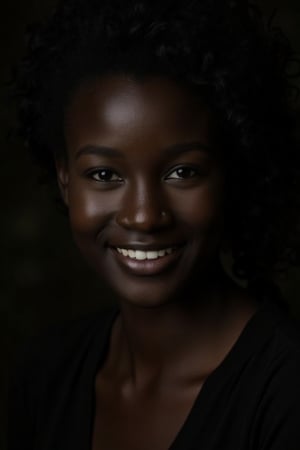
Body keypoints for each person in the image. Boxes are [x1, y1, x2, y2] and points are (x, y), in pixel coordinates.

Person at [7, 0, 300, 449]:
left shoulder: (282, 392)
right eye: (105, 175)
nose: (144, 215)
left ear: (231, 173)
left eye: (183, 172)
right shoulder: (46, 375)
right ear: (66, 179)